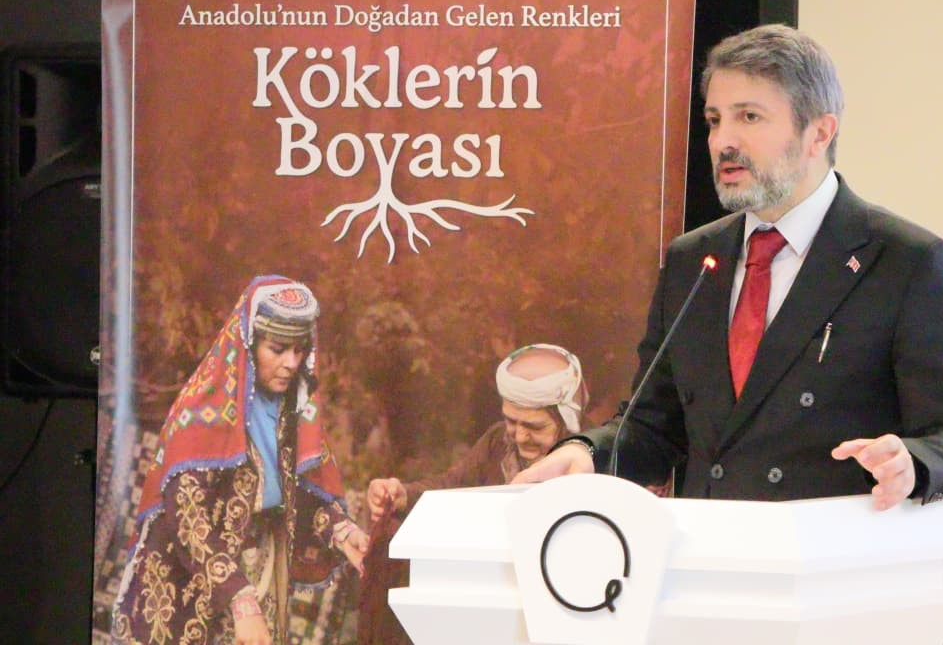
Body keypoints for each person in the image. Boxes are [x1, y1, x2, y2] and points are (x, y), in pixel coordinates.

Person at [515, 24, 943, 508]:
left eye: (749, 116)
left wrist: (913, 463)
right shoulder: (692, 260)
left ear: (819, 133)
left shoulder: (906, 262)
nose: (723, 140)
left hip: (832, 549)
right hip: (712, 548)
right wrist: (586, 452)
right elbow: (654, 428)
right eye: (714, 119)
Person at [111, 275, 368, 645]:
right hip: (190, 586)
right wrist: (238, 597)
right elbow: (188, 519)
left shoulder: (292, 413)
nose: (291, 363)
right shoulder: (201, 410)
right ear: (248, 343)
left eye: (299, 351)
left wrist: (342, 532)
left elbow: (298, 495)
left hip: (260, 570)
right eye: (278, 349)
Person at [356, 343, 588, 645]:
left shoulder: (591, 461)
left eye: (534, 426)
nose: (519, 436)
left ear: (567, 420)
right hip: (489, 608)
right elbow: (454, 487)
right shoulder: (497, 443)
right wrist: (404, 495)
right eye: (512, 421)